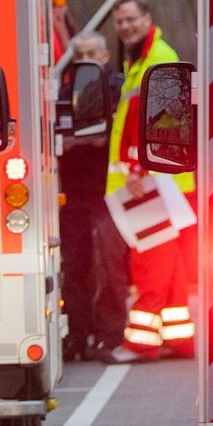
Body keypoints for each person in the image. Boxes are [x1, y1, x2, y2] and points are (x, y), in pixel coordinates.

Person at [105, 0, 196, 362]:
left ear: (147, 18)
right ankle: (179, 337)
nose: (125, 26)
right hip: (161, 181)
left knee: (150, 263)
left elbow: (163, 123)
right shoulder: (144, 60)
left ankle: (141, 343)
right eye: (119, 21)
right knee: (168, 264)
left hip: (152, 181)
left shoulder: (157, 59)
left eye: (130, 19)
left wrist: (138, 169)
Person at [59, 31, 127, 361]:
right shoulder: (63, 92)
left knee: (109, 264)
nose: (84, 59)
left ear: (104, 57)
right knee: (74, 265)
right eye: (79, 54)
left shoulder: (116, 88)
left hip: (106, 190)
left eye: (91, 53)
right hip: (72, 191)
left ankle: (110, 334)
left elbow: (102, 137)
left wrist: (75, 141)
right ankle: (78, 335)